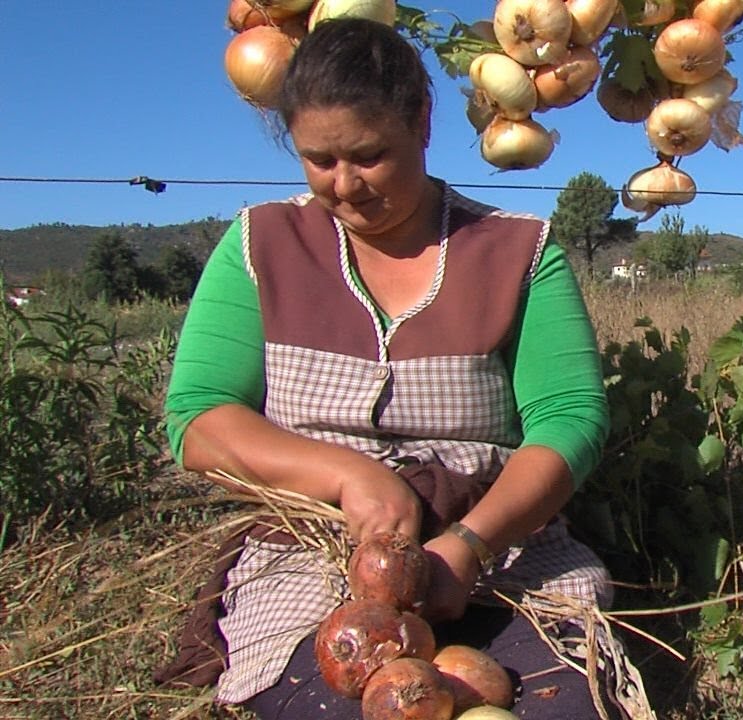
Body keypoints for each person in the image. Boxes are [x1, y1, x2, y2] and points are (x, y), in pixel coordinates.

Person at [158, 18, 618, 719]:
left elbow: (570, 420)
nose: (345, 186)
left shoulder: (518, 252)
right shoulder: (261, 245)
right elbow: (198, 419)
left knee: (549, 699)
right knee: (336, 703)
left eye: (370, 156)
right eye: (319, 161)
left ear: (423, 122)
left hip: (498, 544)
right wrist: (348, 477)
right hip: (312, 554)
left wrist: (469, 543)